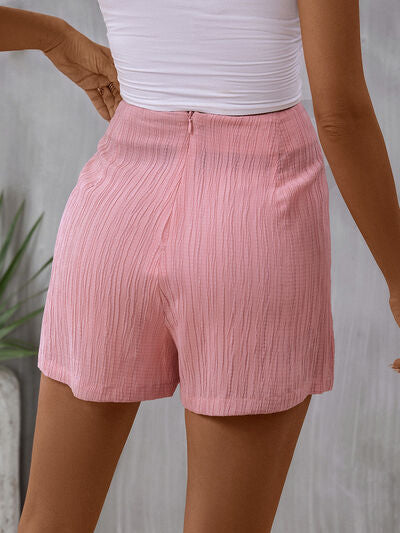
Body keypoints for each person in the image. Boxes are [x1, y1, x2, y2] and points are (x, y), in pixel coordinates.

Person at [1, 2, 399, 532]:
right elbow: (340, 116)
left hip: (115, 212)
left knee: (49, 523)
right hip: (255, 217)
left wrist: (52, 34)